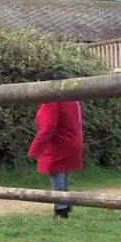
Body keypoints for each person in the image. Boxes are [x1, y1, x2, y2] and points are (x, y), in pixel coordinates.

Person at [28, 70, 85, 219]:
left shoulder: (51, 102)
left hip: (58, 143)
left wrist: (35, 149)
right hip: (72, 140)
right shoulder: (72, 100)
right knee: (64, 175)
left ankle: (61, 209)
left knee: (57, 174)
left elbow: (48, 127)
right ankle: (65, 206)